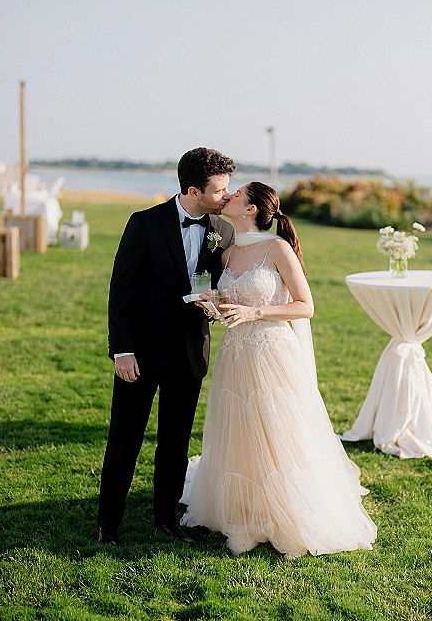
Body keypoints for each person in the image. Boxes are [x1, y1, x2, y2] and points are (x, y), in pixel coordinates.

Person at [181, 181, 377, 558]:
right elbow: (233, 301)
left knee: (277, 429)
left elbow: (305, 306)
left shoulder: (278, 248)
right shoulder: (228, 252)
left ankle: (283, 509)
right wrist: (215, 303)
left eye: (236, 194)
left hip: (271, 353)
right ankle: (243, 510)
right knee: (240, 430)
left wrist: (256, 312)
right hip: (236, 355)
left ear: (252, 208)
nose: (228, 197)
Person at [97, 147, 235, 545]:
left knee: (175, 444)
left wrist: (212, 307)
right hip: (138, 354)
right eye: (220, 190)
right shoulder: (144, 224)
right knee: (125, 440)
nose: (227, 196)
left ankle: (165, 518)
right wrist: (122, 350)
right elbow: (121, 290)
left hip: (190, 354)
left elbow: (209, 285)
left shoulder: (221, 230)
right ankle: (108, 522)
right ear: (194, 190)